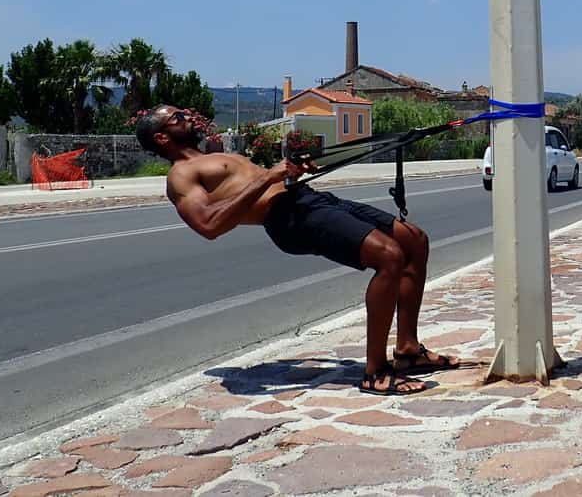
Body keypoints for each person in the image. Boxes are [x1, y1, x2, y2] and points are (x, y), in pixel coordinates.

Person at [136, 105, 460, 395]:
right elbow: (209, 225)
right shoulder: (181, 175)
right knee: (389, 256)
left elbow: (257, 181)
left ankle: (407, 350)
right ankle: (376, 371)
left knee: (414, 240)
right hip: (287, 219)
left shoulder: (211, 154)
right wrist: (268, 178)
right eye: (178, 117)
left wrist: (287, 171)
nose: (189, 116)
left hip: (307, 199)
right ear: (162, 137)